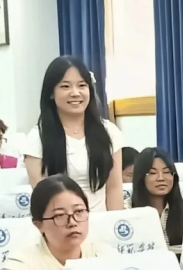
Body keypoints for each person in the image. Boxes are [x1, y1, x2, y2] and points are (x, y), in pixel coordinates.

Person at [23, 56, 124, 212]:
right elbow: (42, 199)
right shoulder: (37, 138)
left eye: (82, 85)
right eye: (65, 86)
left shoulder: (109, 132)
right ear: (51, 93)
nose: (75, 93)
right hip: (60, 223)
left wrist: (113, 223)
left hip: (102, 222)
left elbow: (114, 189)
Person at [131, 147, 183, 246]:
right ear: (141, 177)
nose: (161, 178)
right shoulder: (128, 211)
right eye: (152, 173)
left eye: (167, 172)